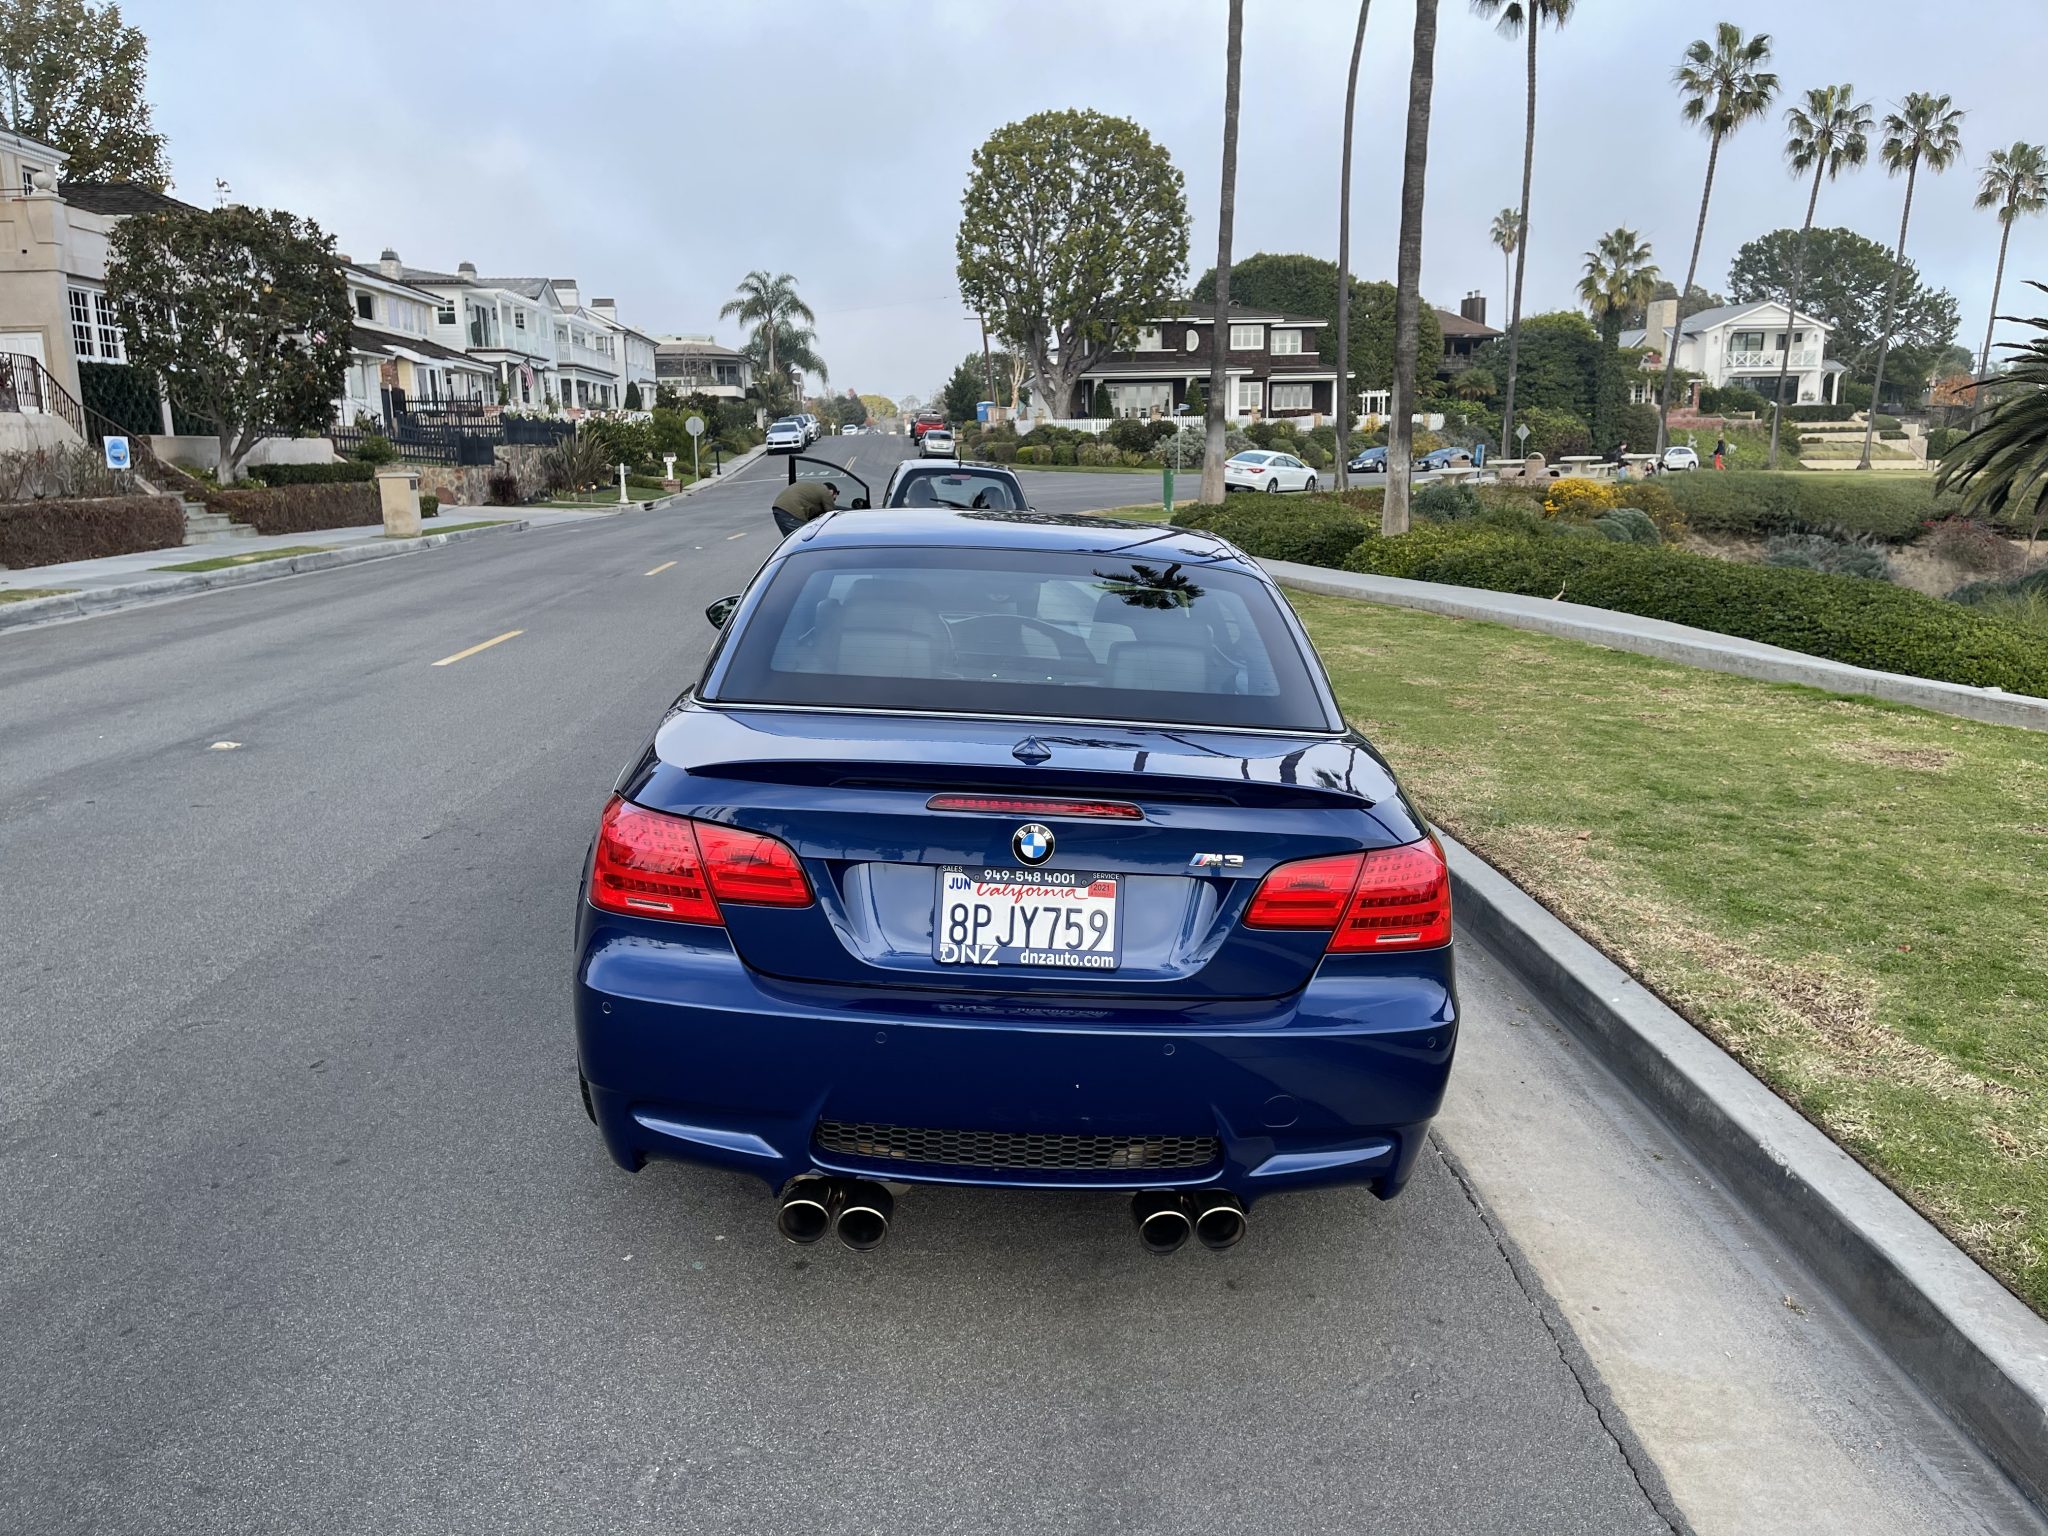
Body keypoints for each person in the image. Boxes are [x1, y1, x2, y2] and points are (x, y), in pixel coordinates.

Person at [771, 479, 839, 535]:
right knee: (802, 538)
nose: (832, 501)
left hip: (778, 508)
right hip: (791, 510)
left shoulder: (814, 488)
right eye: (833, 499)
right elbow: (830, 514)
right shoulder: (825, 491)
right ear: (832, 492)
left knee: (790, 540)